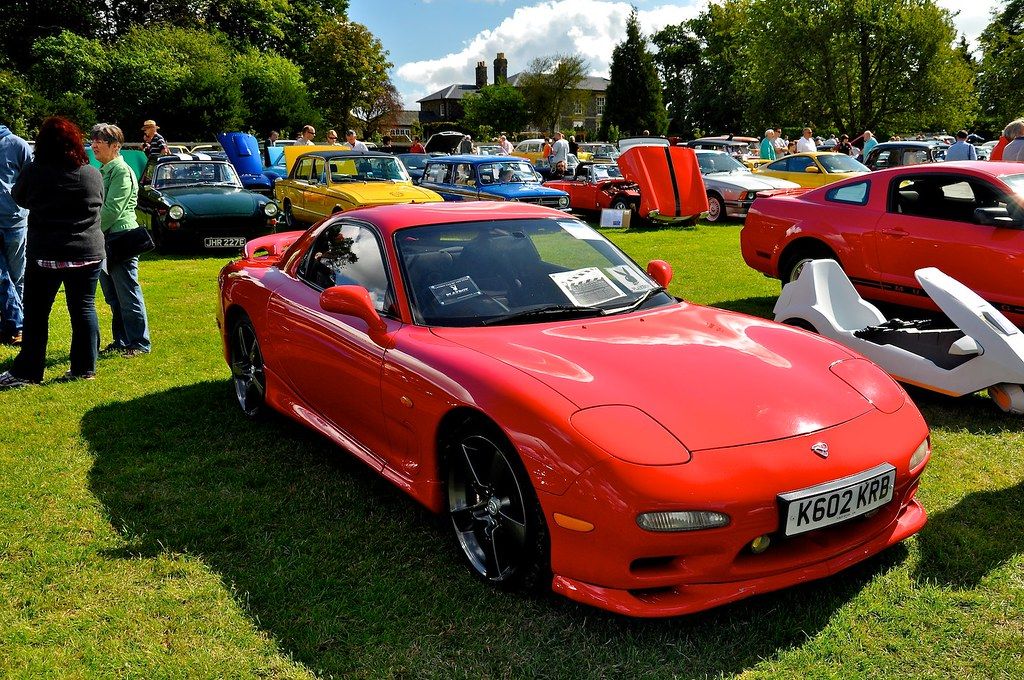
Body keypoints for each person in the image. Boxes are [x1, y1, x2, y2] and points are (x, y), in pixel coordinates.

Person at [0, 117, 104, 389]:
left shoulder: (36, 172)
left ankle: (28, 371)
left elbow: (19, 197)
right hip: (87, 252)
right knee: (83, 310)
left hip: (46, 254)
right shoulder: (91, 173)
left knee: (36, 314)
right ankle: (85, 368)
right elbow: (99, 202)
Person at [91, 123, 151, 357]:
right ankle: (122, 340)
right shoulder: (103, 169)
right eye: (93, 140)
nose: (94, 145)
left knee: (127, 293)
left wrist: (91, 230)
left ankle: (139, 342)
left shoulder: (120, 171)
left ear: (116, 146)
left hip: (121, 237)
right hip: (106, 238)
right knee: (113, 295)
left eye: (100, 141)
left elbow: (112, 210)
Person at [0, 122, 31, 345]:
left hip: (15, 221)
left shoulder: (18, 144)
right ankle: (17, 325)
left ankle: (14, 326)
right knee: (2, 276)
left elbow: (31, 179)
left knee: (16, 276)